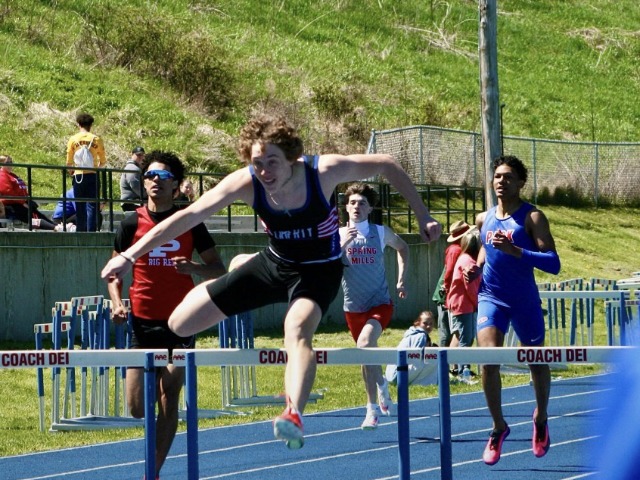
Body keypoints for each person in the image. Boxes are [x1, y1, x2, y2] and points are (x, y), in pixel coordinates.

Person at [101, 113, 441, 450]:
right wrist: (129, 256)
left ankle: (293, 414)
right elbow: (187, 216)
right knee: (180, 323)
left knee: (296, 330)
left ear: (292, 156)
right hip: (274, 263)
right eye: (257, 163)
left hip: (317, 271)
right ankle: (232, 273)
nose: (265, 172)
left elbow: (387, 164)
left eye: (272, 162)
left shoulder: (323, 171)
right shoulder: (246, 182)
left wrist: (423, 215)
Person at [107, 150, 226, 479]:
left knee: (168, 397)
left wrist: (193, 267)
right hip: (142, 324)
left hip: (181, 323)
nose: (154, 181)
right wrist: (116, 302)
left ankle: (153, 472)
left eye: (162, 176)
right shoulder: (131, 223)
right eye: (149, 176)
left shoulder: (190, 221)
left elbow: (219, 269)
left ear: (176, 185)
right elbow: (113, 271)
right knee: (136, 407)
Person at [464, 155, 561, 466]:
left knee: (536, 361)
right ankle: (498, 427)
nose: (501, 181)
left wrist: (516, 250)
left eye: (508, 177)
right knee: (488, 360)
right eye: (497, 176)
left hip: (524, 300)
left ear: (520, 183)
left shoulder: (533, 217)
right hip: (491, 297)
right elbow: (485, 247)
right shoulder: (483, 218)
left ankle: (541, 417)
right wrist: (476, 268)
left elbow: (554, 263)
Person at [339, 182, 409, 430]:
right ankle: (382, 385)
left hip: (379, 303)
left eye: (362, 203)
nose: (357, 206)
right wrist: (341, 246)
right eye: (352, 203)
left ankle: (371, 411)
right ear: (346, 207)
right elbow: (325, 265)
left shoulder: (379, 232)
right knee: (366, 355)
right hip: (353, 307)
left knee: (365, 344)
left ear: (370, 209)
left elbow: (403, 248)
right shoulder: (337, 235)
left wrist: (401, 279)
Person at [433, 221, 470, 367]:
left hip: (450, 293)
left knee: (452, 331)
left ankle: (451, 365)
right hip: (446, 294)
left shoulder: (460, 249)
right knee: (446, 332)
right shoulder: (455, 250)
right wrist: (448, 291)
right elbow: (448, 273)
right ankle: (443, 366)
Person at [447, 228, 481, 378]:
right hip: (463, 304)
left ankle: (457, 369)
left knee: (462, 337)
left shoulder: (464, 258)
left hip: (461, 304)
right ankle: (463, 371)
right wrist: (478, 303)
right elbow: (471, 288)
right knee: (466, 339)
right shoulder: (469, 262)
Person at [66, 112, 106, 231]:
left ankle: (81, 231)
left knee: (80, 206)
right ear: (91, 125)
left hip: (78, 177)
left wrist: (72, 172)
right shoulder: (96, 139)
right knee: (92, 206)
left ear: (79, 124)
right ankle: (91, 232)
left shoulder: (73, 139)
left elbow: (69, 162)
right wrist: (96, 170)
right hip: (92, 176)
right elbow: (103, 161)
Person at [0, 155, 56, 230]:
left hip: (20, 203)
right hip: (12, 205)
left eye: (11, 162)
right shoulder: (2, 175)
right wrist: (23, 203)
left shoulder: (12, 175)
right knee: (32, 218)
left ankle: (58, 226)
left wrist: (27, 200)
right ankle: (55, 228)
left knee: (38, 214)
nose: (10, 164)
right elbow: (9, 193)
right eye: (7, 163)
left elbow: (22, 189)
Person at [385, 310, 438, 386]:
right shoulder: (421, 336)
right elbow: (416, 359)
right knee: (436, 358)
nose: (428, 326)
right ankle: (426, 382)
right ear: (418, 323)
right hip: (398, 376)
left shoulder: (412, 333)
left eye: (431, 324)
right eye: (425, 323)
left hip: (390, 375)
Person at [120, 146, 147, 212]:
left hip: (134, 202)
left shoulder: (136, 167)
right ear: (132, 155)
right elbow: (136, 187)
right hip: (131, 203)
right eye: (138, 155)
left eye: (142, 155)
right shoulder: (132, 168)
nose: (140, 157)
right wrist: (149, 195)